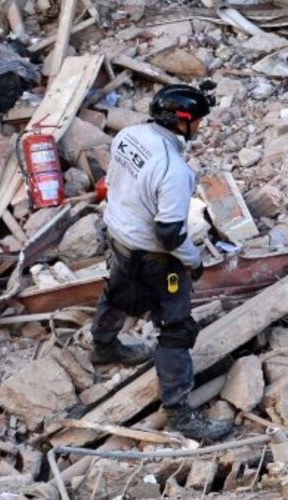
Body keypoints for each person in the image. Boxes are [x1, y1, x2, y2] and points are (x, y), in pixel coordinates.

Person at [90, 84, 232, 441]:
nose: (199, 127)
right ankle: (179, 411)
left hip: (119, 235)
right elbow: (169, 232)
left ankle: (104, 348)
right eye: (196, 121)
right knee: (175, 326)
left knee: (117, 292)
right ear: (181, 122)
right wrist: (193, 261)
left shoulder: (129, 135)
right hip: (153, 256)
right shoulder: (174, 169)